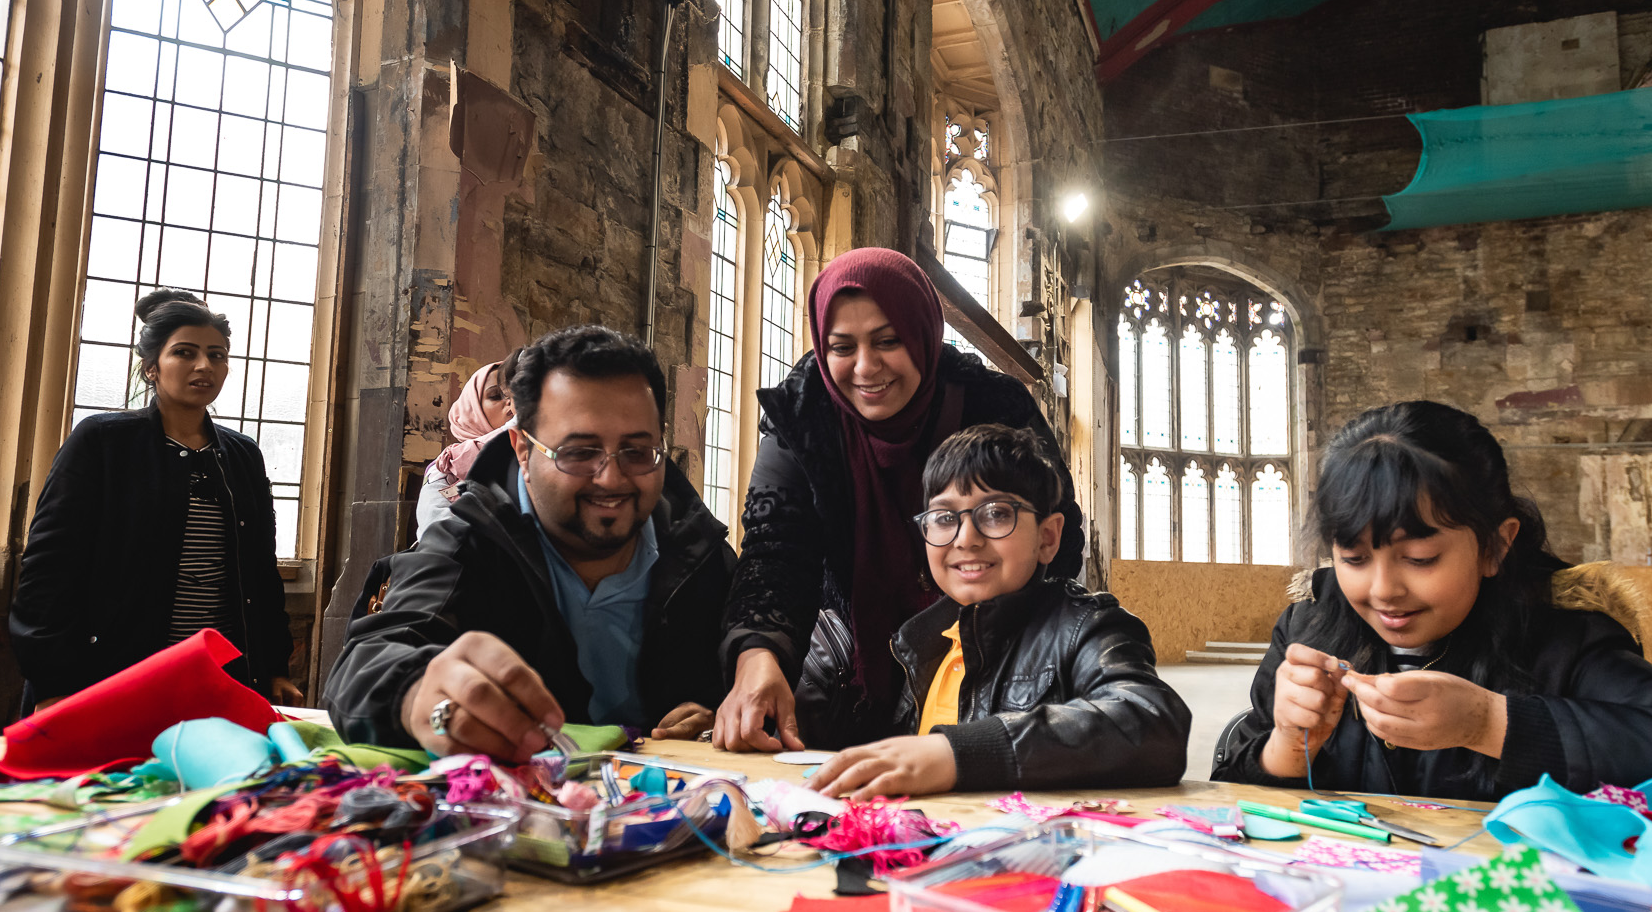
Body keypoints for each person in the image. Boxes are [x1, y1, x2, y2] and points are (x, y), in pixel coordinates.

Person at [1216, 400, 1652, 798]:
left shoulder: (1563, 637)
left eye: (1421, 558)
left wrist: (1491, 723)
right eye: (1353, 557)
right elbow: (1232, 792)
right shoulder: (1310, 627)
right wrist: (1286, 746)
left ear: (1495, 546)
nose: (1383, 589)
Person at [717, 247, 1086, 753]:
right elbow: (774, 552)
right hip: (852, 665)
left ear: (922, 333)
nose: (866, 368)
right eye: (842, 347)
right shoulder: (802, 416)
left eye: (888, 340)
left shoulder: (995, 405)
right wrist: (759, 657)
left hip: (994, 655)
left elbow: (1058, 540)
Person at [323, 326, 735, 755]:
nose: (611, 479)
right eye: (578, 452)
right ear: (522, 450)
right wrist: (415, 695)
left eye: (637, 452)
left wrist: (720, 710)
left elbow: (762, 678)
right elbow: (365, 665)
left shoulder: (701, 553)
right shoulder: (469, 541)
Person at [808, 425, 1188, 798]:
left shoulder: (1088, 628)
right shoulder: (920, 643)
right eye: (944, 518)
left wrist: (960, 753)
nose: (966, 538)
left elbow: (1152, 723)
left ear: (1048, 537)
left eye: (996, 514)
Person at [9, 290, 297, 714]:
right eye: (185, 352)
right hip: (113, 674)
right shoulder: (102, 442)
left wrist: (274, 667)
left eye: (217, 355)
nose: (204, 366)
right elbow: (49, 568)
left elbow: (259, 574)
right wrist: (53, 681)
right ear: (151, 369)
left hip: (219, 676)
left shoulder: (242, 455)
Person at [414, 351, 524, 537]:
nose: (510, 403)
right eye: (496, 396)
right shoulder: (447, 466)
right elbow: (436, 529)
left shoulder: (531, 449)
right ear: (472, 409)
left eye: (515, 394)